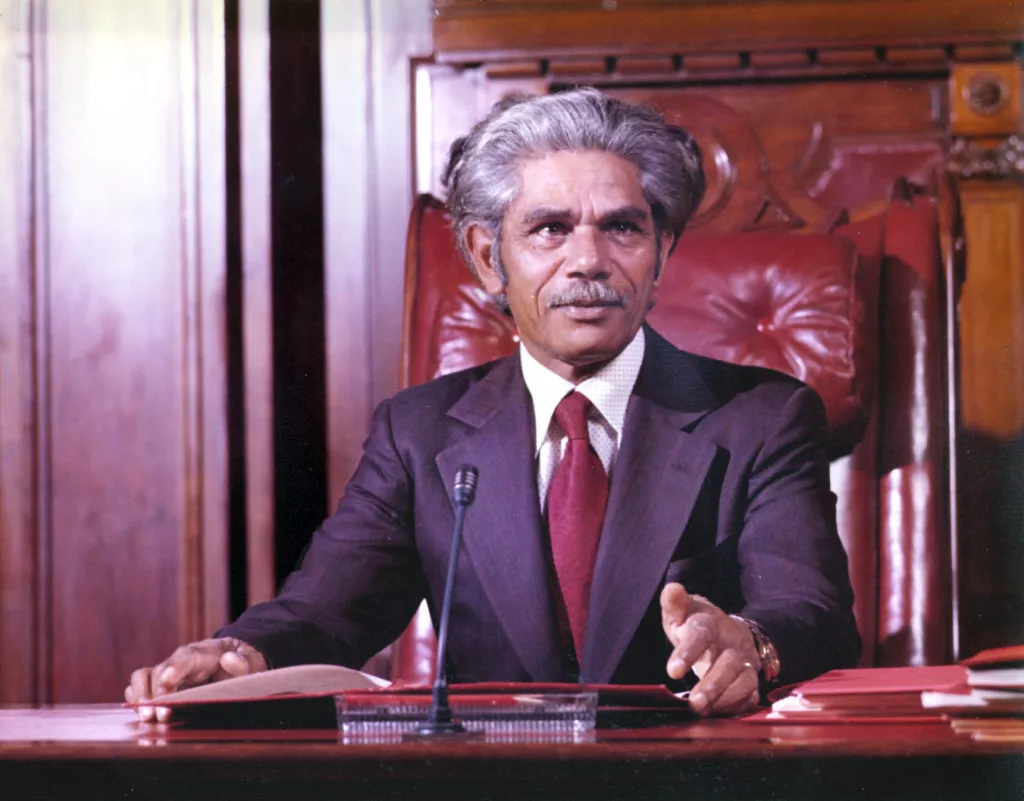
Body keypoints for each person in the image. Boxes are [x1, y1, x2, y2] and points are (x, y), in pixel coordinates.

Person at [126, 88, 860, 720]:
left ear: (662, 251)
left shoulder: (763, 417)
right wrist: (240, 653)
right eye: (549, 229)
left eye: (623, 228)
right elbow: (323, 614)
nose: (588, 260)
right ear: (487, 258)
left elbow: (812, 614)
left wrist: (749, 644)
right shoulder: (418, 434)